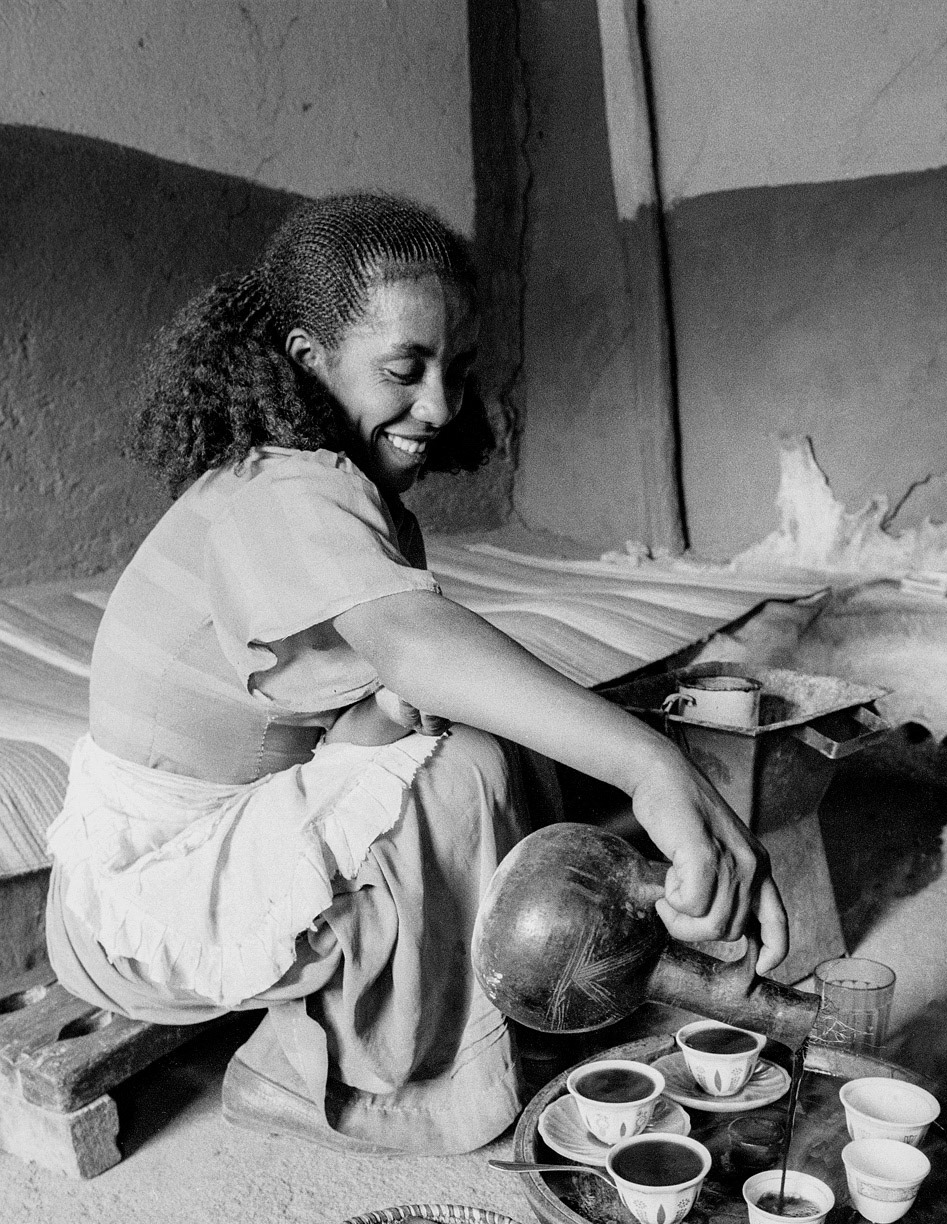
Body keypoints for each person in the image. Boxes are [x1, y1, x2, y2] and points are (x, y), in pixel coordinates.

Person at [45, 192, 787, 1156]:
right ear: (309, 360)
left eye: (456, 370)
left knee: (460, 736)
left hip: (219, 839)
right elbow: (413, 641)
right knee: (464, 768)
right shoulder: (282, 492)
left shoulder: (343, 491)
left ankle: (543, 964)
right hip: (140, 911)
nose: (438, 407)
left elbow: (394, 685)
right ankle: (353, 1084)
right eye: (405, 370)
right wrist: (656, 770)